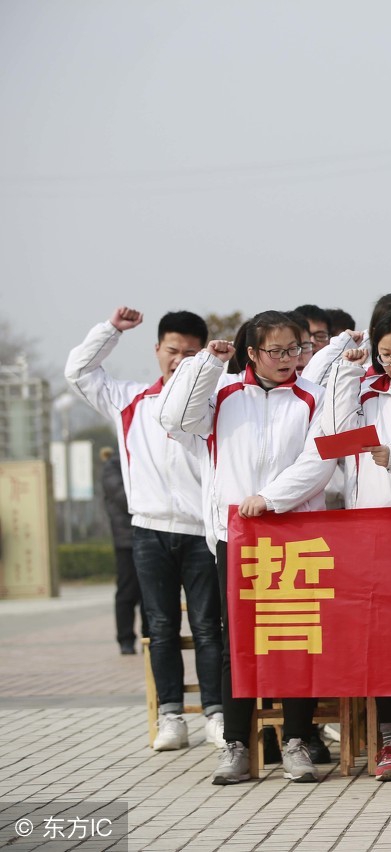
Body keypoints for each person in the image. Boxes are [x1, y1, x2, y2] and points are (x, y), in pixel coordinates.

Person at [251, 309, 391, 780]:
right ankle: (390, 739)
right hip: (375, 535)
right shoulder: (367, 394)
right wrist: (348, 374)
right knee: (386, 641)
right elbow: (332, 441)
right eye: (385, 354)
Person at [159, 310, 326, 785]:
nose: (287, 360)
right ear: (251, 353)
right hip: (237, 539)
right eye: (276, 351)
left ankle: (295, 741)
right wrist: (205, 365)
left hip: (295, 535)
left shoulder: (313, 397)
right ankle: (236, 744)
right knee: (238, 643)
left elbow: (320, 461)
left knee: (297, 640)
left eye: (295, 349)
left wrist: (271, 499)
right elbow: (172, 416)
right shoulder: (223, 395)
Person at [65, 307, 223, 752]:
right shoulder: (130, 399)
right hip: (149, 530)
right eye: (172, 350)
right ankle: (170, 715)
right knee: (160, 625)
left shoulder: (215, 402)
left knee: (210, 626)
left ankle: (216, 712)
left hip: (199, 531)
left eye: (190, 353)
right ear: (157, 350)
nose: (179, 359)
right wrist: (111, 330)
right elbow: (78, 371)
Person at [100, 447, 146, 655]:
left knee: (151, 592)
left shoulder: (143, 457)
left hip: (149, 536)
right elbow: (123, 498)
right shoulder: (113, 466)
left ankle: (150, 636)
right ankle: (126, 639)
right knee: (127, 591)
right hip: (126, 540)